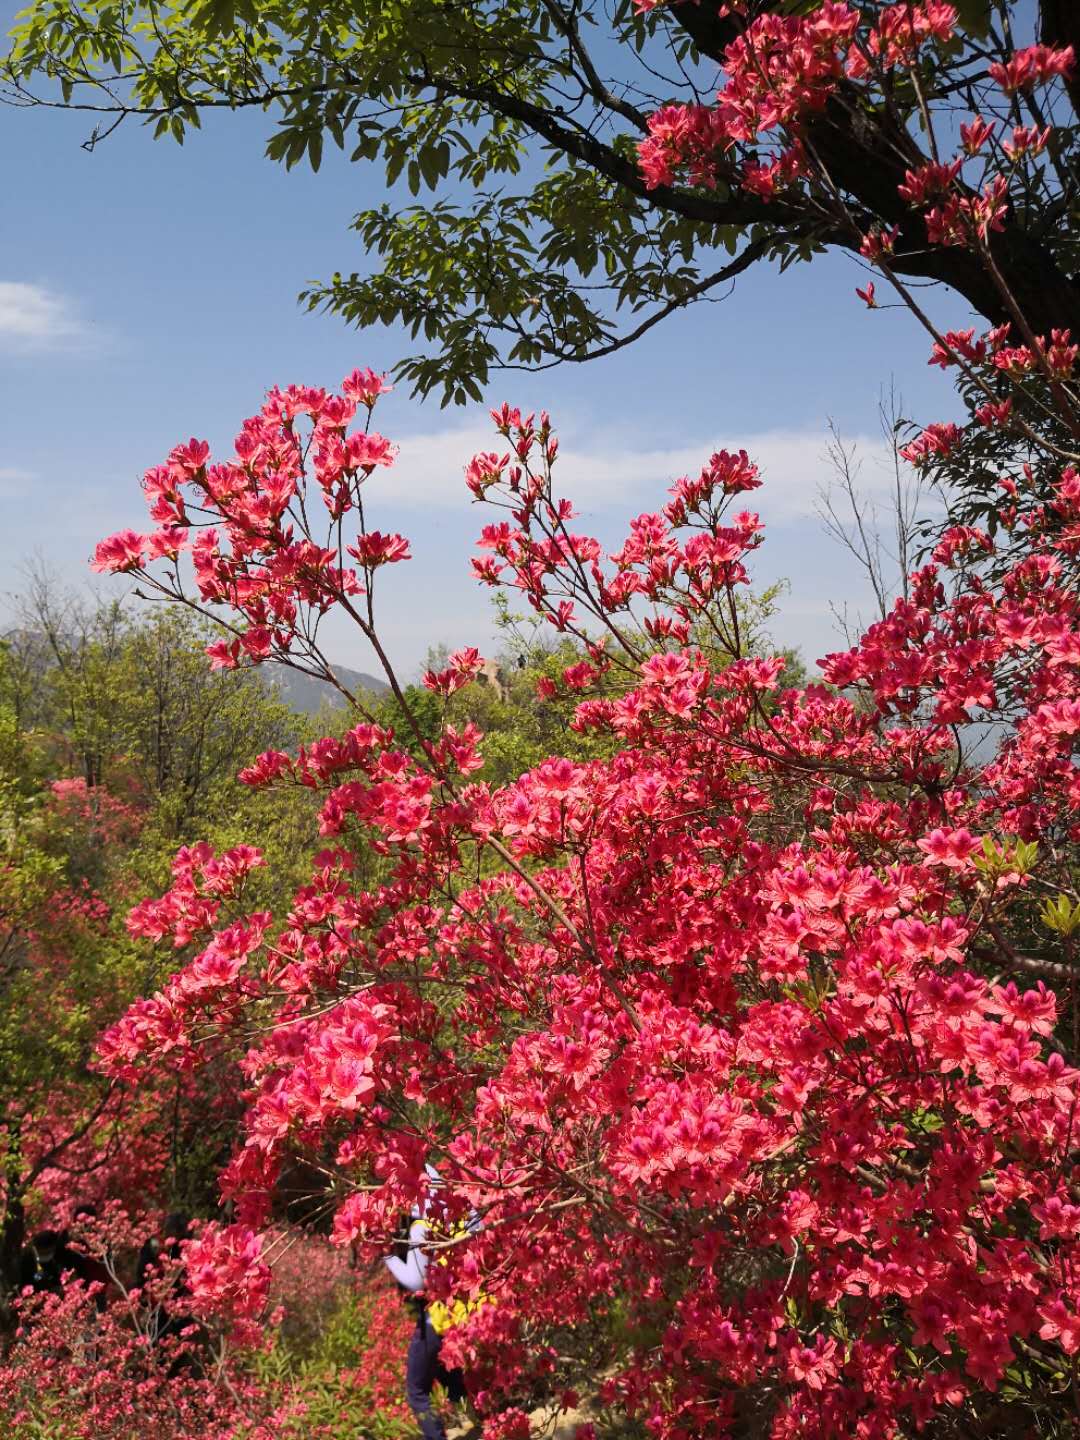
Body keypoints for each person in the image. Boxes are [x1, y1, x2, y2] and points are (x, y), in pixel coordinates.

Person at [383, 1168, 468, 1440]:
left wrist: (387, 1256)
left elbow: (415, 1281)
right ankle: (480, 1418)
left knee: (417, 1391)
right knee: (450, 1375)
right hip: (458, 1316)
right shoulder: (456, 1221)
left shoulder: (422, 1228)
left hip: (434, 1319)